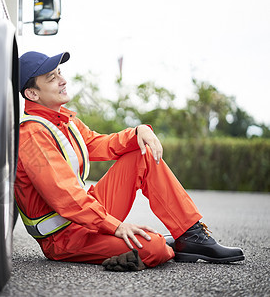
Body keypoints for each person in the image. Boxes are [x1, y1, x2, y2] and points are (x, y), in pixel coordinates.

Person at [14, 51, 244, 271]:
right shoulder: (32, 133)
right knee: (156, 250)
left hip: (84, 218)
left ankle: (191, 235)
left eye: (60, 72)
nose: (62, 80)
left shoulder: (62, 119)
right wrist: (116, 226)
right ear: (32, 94)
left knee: (140, 154)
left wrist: (137, 132)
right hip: (65, 237)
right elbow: (66, 197)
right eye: (51, 78)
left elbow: (98, 144)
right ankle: (161, 242)